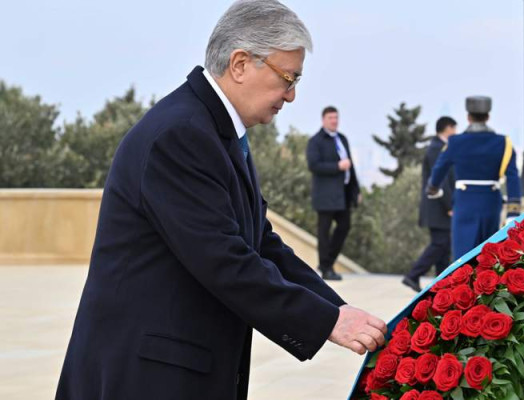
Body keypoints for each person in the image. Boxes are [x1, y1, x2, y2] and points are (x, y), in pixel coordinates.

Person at [55, 2, 386, 399]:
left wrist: (339, 311)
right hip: (146, 374)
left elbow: (261, 244)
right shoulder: (181, 134)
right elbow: (224, 260)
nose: (292, 95)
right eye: (288, 78)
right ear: (241, 64)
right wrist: (325, 321)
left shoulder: (216, 131)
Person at [427, 96, 521, 260]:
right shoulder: (503, 143)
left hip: (465, 202)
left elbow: (439, 168)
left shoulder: (455, 142)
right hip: (491, 202)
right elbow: (512, 177)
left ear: (468, 117)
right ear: (488, 116)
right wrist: (513, 211)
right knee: (489, 254)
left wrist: (433, 188)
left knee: (463, 256)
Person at [402, 117, 457, 292]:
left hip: (440, 206)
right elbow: (438, 180)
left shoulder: (442, 148)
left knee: (444, 246)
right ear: (447, 128)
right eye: (454, 129)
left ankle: (442, 284)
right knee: (439, 244)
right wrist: (449, 205)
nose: (455, 132)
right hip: (437, 207)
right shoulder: (436, 149)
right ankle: (413, 275)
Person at [306, 106, 361, 281]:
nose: (334, 121)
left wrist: (356, 190)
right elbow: (314, 165)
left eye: (336, 118)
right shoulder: (316, 141)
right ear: (323, 120)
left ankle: (327, 262)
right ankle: (326, 268)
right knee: (324, 231)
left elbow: (350, 168)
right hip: (325, 195)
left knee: (345, 226)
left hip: (343, 193)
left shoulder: (342, 139)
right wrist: (337, 166)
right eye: (331, 118)